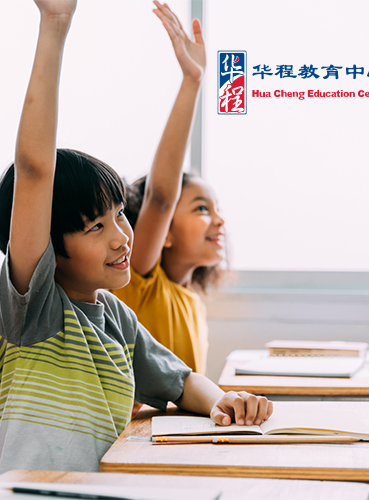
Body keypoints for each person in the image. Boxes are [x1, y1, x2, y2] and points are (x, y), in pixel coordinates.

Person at [0, 0, 271, 477]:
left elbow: (182, 382)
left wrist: (225, 401)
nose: (122, 237)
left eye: (119, 216)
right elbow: (34, 171)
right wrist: (55, 24)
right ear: (49, 251)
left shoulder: (116, 317)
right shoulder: (32, 313)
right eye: (95, 227)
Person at [110, 2, 221, 375]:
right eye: (202, 209)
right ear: (165, 233)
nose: (219, 221)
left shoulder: (194, 304)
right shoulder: (141, 282)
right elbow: (161, 195)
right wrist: (192, 81)